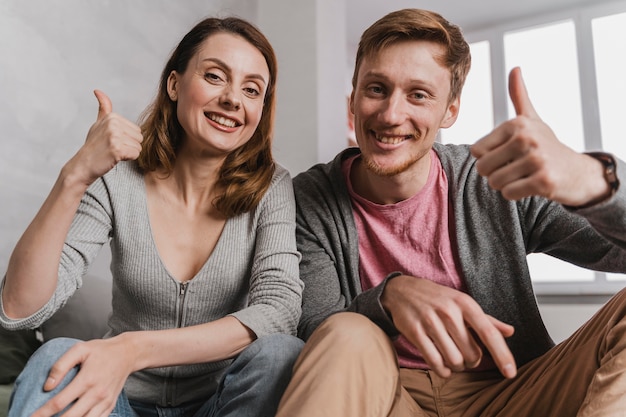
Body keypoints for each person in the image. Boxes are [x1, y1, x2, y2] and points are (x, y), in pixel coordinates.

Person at [275, 8, 626, 417]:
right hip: (388, 397)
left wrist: (592, 181)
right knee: (345, 331)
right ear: (353, 100)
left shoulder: (491, 181)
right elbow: (315, 329)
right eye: (376, 89)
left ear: (450, 110)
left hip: (512, 396)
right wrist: (388, 298)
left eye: (418, 94)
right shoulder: (309, 197)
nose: (391, 114)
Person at [1, 16, 304, 417]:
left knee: (281, 354)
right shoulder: (118, 178)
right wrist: (75, 175)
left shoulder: (271, 188)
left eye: (252, 89)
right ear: (174, 84)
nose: (234, 99)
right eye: (215, 76)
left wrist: (132, 349)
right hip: (120, 401)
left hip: (219, 404)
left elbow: (278, 310)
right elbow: (19, 309)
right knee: (55, 356)